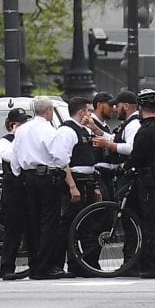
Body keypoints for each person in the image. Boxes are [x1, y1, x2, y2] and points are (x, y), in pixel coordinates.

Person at [10, 96, 71, 280]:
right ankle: (46, 266)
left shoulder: (21, 130)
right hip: (46, 178)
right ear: (49, 111)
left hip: (27, 178)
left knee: (32, 223)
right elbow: (61, 158)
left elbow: (14, 158)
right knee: (49, 223)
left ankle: (35, 264)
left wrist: (20, 173)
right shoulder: (49, 130)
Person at [53, 97, 102, 276]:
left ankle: (82, 263)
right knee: (68, 225)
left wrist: (95, 186)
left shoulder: (84, 130)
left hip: (87, 181)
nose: (90, 115)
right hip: (75, 182)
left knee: (86, 225)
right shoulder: (67, 131)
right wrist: (72, 186)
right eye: (88, 111)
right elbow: (62, 161)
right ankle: (59, 264)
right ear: (81, 112)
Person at [125, 89, 155, 279]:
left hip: (149, 181)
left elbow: (136, 157)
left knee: (152, 224)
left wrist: (125, 167)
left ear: (139, 107)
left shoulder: (144, 131)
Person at [0, 107, 32, 281]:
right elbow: (10, 156)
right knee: (13, 230)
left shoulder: (29, 139)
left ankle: (36, 264)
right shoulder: (6, 141)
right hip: (13, 190)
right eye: (21, 123)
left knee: (32, 228)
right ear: (13, 125)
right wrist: (18, 138)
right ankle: (7, 267)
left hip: (29, 188)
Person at [90, 92, 117, 202]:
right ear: (100, 105)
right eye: (110, 105)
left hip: (107, 176)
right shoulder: (90, 124)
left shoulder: (105, 126)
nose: (113, 109)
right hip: (97, 175)